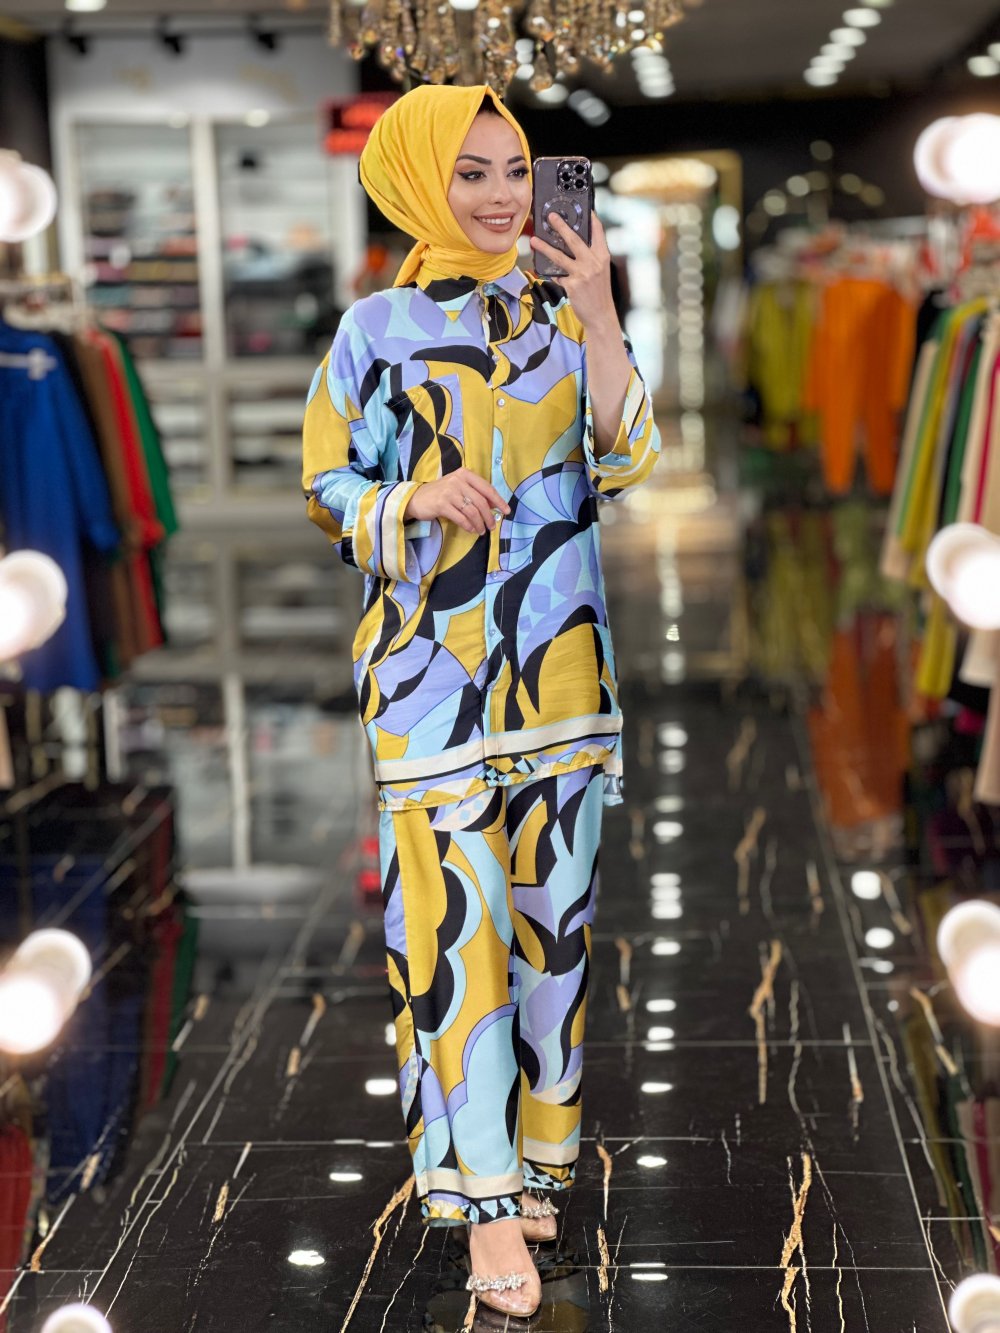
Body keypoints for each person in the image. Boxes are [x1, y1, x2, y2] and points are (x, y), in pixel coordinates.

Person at [302, 82, 659, 1318]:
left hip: (564, 678)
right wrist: (412, 499)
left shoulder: (566, 311)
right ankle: (485, 1203)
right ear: (416, 178)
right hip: (428, 681)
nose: (503, 196)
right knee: (456, 943)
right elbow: (327, 482)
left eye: (517, 170)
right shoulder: (376, 328)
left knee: (554, 940)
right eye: (472, 173)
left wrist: (599, 311)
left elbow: (627, 454)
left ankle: (541, 1163)